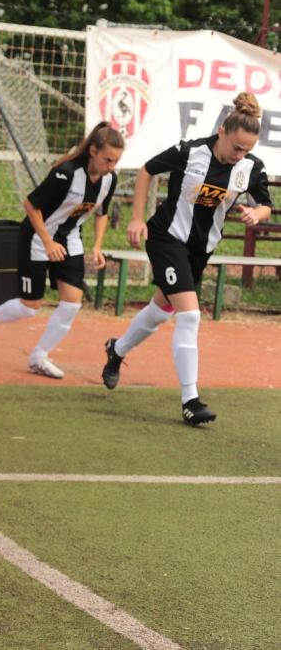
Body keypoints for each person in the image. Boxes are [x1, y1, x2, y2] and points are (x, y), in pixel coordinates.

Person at [101, 92, 272, 425]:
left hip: (200, 248)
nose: (240, 155)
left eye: (247, 150)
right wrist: (137, 218)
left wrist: (258, 213)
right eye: (236, 147)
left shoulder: (249, 167)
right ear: (222, 131)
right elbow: (147, 171)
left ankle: (117, 350)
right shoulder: (190, 152)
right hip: (167, 238)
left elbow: (265, 203)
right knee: (190, 315)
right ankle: (190, 400)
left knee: (162, 309)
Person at [0, 123, 124, 378]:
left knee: (72, 303)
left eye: (116, 161)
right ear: (93, 151)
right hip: (38, 236)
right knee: (30, 306)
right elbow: (31, 205)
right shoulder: (66, 173)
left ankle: (39, 357)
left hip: (69, 239)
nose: (111, 166)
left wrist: (97, 246)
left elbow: (102, 213)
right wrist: (47, 242)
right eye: (107, 160)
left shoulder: (109, 180)